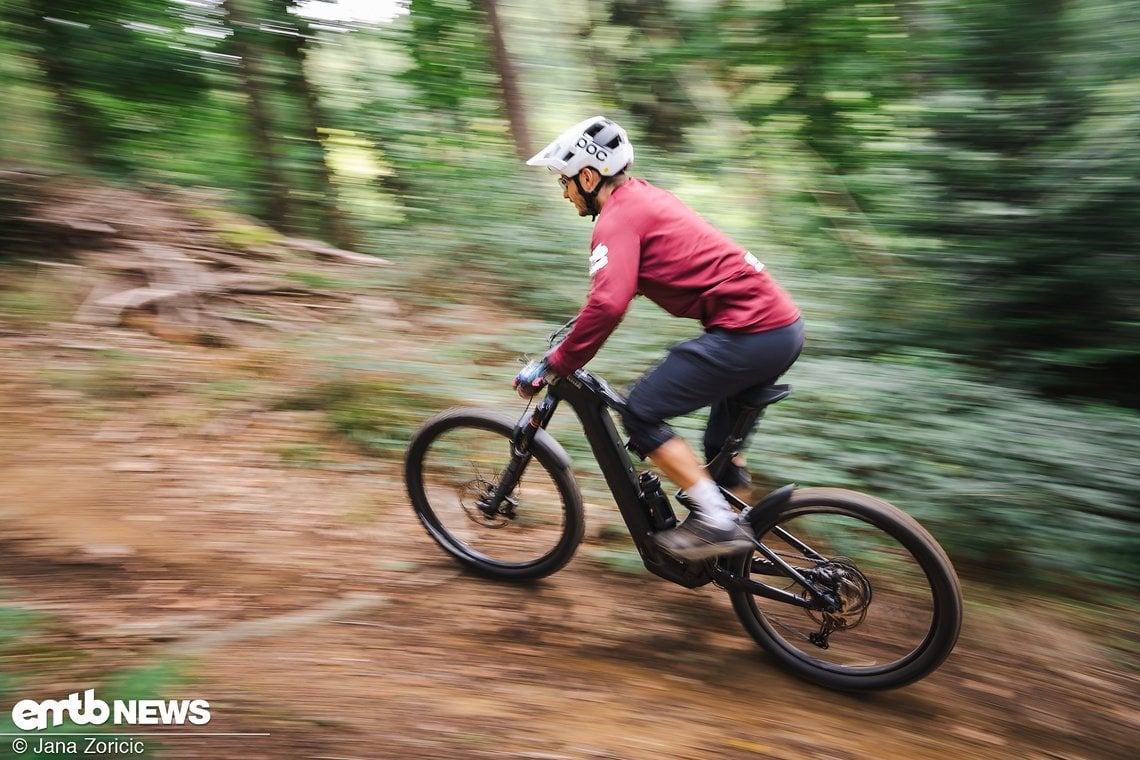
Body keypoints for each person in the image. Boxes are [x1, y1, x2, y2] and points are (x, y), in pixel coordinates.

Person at [513, 116, 804, 561]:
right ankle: (734, 516)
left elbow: (609, 305)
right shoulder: (643, 198)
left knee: (643, 411)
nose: (565, 191)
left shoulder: (617, 218)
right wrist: (577, 331)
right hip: (779, 328)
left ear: (589, 176)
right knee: (718, 454)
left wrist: (556, 363)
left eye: (566, 181)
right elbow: (614, 292)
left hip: (751, 331)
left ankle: (717, 522)